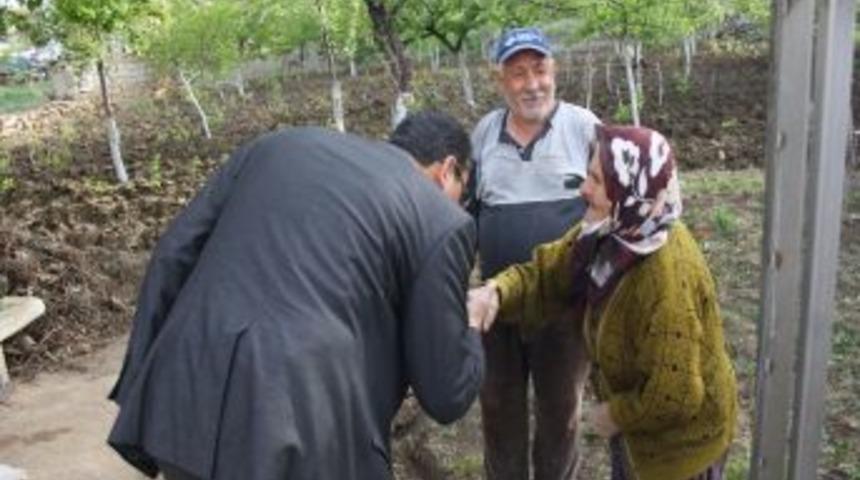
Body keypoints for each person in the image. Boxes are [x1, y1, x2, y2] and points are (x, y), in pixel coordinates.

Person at [107, 111, 485, 480]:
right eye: (462, 193)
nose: (458, 205)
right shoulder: (441, 219)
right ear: (449, 169)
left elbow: (174, 253)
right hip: (302, 433)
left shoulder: (278, 146)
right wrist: (469, 320)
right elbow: (446, 392)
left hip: (183, 400)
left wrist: (140, 382)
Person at [469, 125, 738, 480]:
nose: (583, 189)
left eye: (596, 180)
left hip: (678, 452)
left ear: (631, 192)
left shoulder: (666, 277)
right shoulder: (615, 231)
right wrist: (497, 291)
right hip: (635, 429)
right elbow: (549, 270)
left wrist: (614, 415)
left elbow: (677, 394)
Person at [465, 26, 601, 479]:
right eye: (518, 74)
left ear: (554, 71)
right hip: (496, 307)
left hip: (563, 307)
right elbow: (466, 211)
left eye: (539, 70)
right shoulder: (484, 133)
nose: (531, 84)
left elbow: (614, 201)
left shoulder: (584, 128)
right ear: (500, 80)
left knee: (559, 412)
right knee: (498, 409)